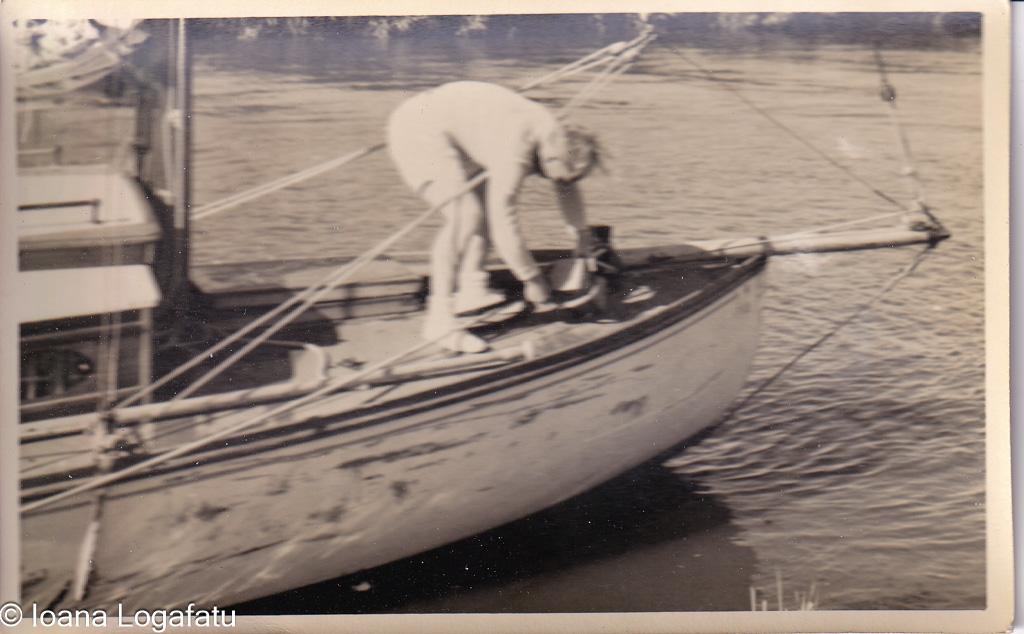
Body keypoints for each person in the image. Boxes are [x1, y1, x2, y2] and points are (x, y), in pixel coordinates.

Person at [387, 80, 599, 354]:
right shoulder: (517, 150)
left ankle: (472, 289)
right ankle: (438, 320)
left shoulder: (552, 133)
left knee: (481, 210)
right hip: (419, 130)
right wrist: (533, 281)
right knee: (466, 216)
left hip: (450, 129)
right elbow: (504, 224)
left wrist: (581, 234)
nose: (556, 182)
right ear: (553, 159)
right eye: (555, 176)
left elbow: (566, 184)